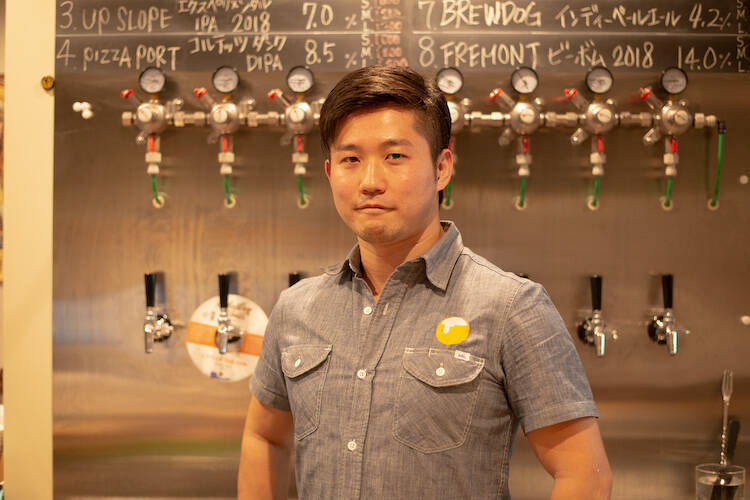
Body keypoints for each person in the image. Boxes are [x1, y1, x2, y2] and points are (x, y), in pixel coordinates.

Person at [238, 65, 612, 499]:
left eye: (395, 156)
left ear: (441, 168)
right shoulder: (296, 308)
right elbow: (264, 436)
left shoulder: (512, 307)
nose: (370, 182)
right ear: (329, 172)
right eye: (350, 159)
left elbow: (585, 474)